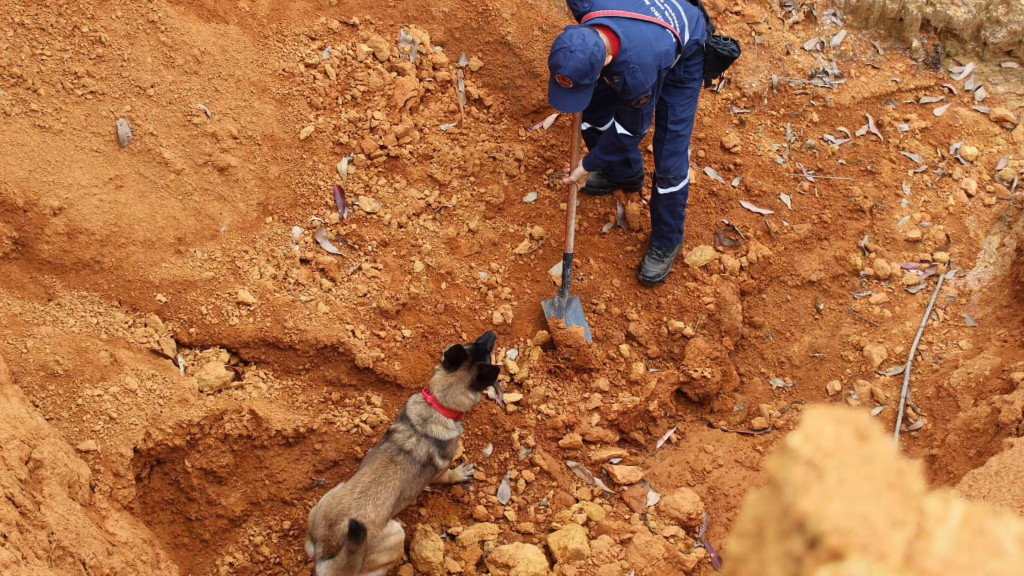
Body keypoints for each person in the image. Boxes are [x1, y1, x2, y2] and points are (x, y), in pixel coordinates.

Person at [547, 0, 707, 286]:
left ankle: (667, 240)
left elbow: (630, 130)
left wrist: (587, 164)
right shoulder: (585, 5)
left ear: (606, 62)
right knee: (594, 107)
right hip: (641, 28)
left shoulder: (637, 72)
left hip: (685, 49)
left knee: (670, 154)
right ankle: (624, 174)